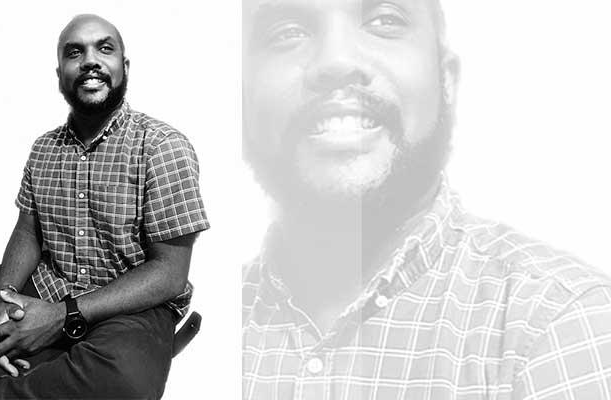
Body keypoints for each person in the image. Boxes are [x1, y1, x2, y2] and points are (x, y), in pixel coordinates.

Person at [241, 0, 611, 398]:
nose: (337, 61)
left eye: (385, 20)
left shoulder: (561, 322)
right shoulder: (196, 321)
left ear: (446, 80)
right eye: (287, 32)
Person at [0, 14, 210, 399]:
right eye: (75, 52)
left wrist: (60, 317)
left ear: (124, 67)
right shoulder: (45, 148)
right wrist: (6, 299)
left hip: (129, 300)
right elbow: (27, 232)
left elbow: (168, 273)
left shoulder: (162, 146)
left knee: (122, 385)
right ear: (60, 73)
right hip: (47, 280)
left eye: (104, 48)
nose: (90, 60)